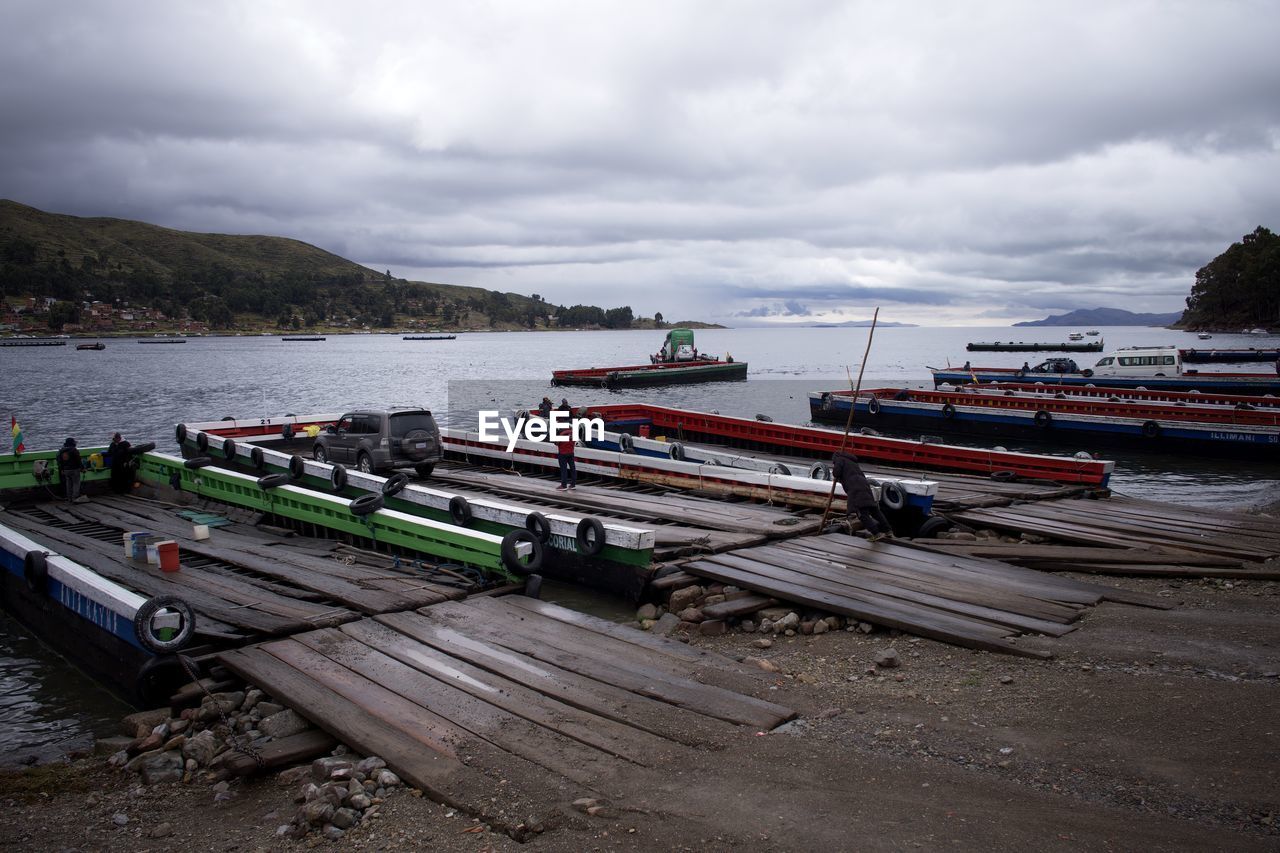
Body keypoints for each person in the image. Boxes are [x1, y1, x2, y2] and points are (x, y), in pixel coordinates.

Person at [832, 450, 892, 541]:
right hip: (864, 485)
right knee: (874, 510)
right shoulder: (852, 462)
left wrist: (835, 475)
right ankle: (888, 530)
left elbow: (836, 472)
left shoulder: (839, 459)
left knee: (861, 513)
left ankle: (876, 533)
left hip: (855, 489)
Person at [56, 437, 85, 503]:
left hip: (66, 470)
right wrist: (82, 468)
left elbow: (59, 461)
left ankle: (69, 498)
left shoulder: (61, 451)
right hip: (74, 469)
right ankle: (75, 498)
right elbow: (78, 460)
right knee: (76, 483)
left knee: (68, 484)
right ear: (72, 443)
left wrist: (62, 469)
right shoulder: (74, 450)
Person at [555, 403, 576, 491]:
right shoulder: (571, 431)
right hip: (571, 452)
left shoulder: (560, 431)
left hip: (562, 453)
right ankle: (573, 484)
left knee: (563, 469)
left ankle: (563, 485)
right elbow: (574, 441)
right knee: (572, 468)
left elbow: (556, 442)